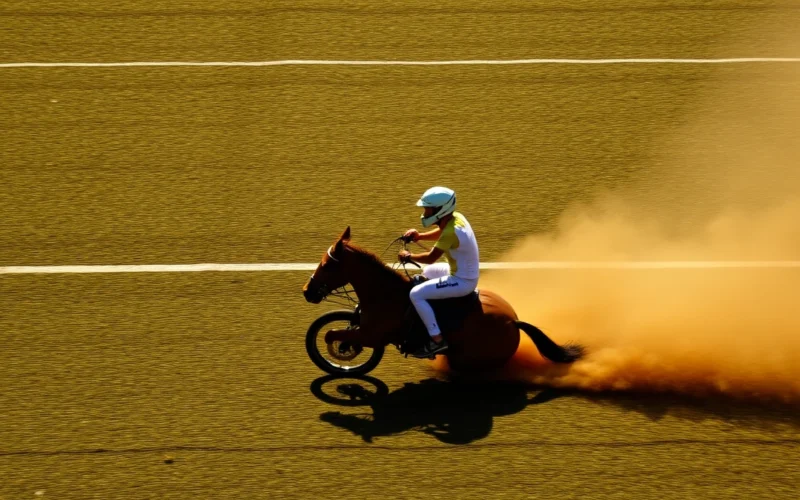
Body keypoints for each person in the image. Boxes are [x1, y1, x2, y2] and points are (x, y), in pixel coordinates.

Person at [398, 186, 480, 358]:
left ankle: (436, 340)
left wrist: (408, 256)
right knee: (427, 272)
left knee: (416, 294)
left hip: (462, 280)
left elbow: (430, 257)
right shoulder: (455, 218)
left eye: (428, 208)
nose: (425, 212)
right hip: (458, 270)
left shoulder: (453, 231)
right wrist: (419, 236)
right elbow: (442, 234)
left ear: (440, 210)